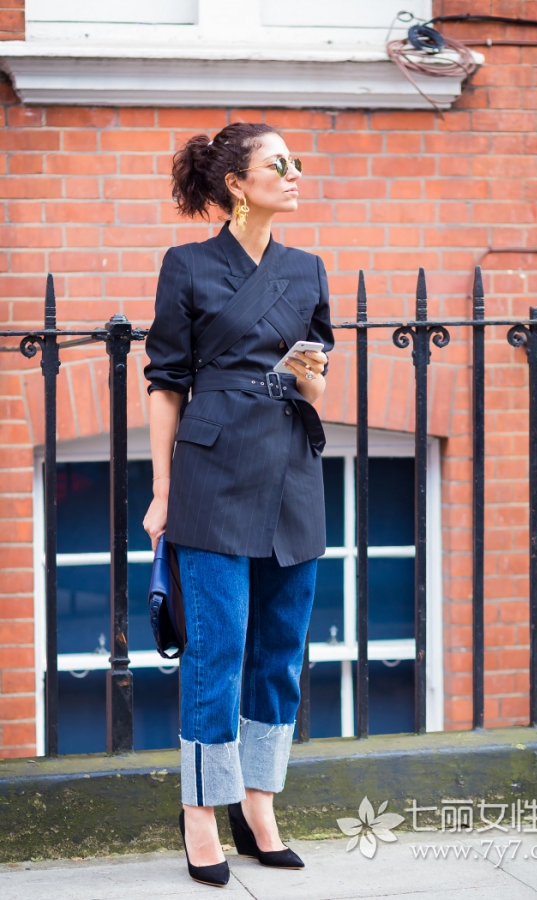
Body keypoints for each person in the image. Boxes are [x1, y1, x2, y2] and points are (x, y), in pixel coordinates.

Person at [143, 122, 334, 887]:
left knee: (279, 654)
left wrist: (313, 381)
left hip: (292, 471)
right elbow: (166, 384)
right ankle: (200, 812)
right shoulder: (187, 265)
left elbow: (316, 383)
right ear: (235, 184)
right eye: (278, 164)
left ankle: (258, 806)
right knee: (215, 655)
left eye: (296, 162)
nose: (294, 173)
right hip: (212, 474)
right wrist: (162, 492)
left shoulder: (308, 268)